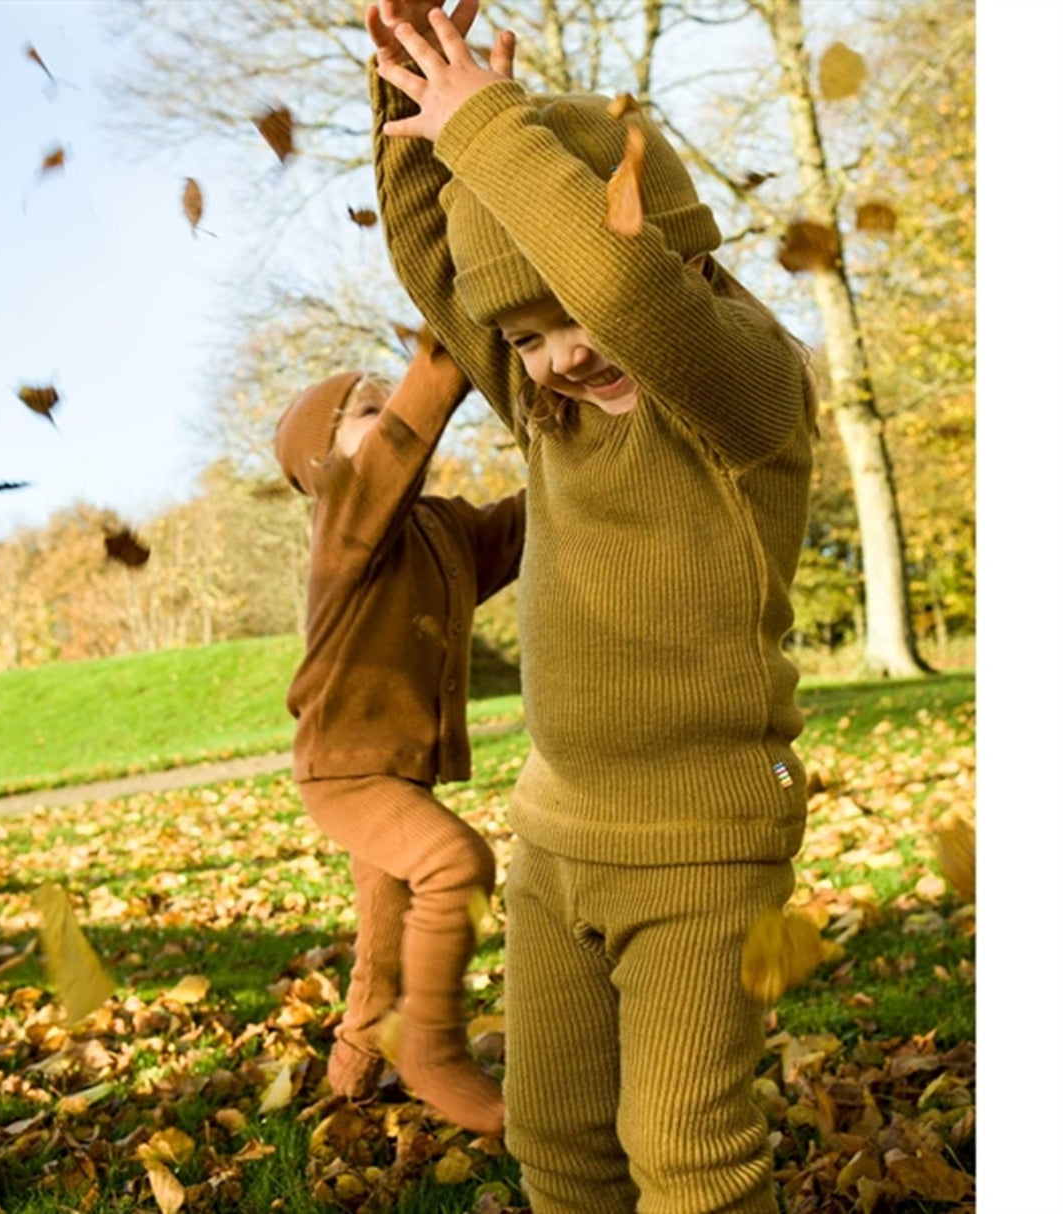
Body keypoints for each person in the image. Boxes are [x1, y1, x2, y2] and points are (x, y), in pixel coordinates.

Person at [365, 3, 818, 1210]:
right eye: (523, 335)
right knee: (557, 1140)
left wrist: (494, 128)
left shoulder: (740, 389)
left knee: (687, 1150)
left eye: (562, 318)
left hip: (702, 849)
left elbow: (621, 294)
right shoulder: (551, 413)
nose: (555, 355)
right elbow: (431, 266)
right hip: (559, 839)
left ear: (685, 250)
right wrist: (419, 107)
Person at [275, 336, 525, 1136]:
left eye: (391, 403)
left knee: (381, 942)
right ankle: (432, 1051)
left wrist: (587, 444)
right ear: (323, 463)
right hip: (344, 771)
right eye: (369, 411)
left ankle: (352, 1075)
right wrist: (450, 342)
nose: (390, 421)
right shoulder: (344, 513)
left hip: (396, 772)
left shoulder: (439, 531)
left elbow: (523, 526)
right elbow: (406, 439)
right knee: (457, 863)